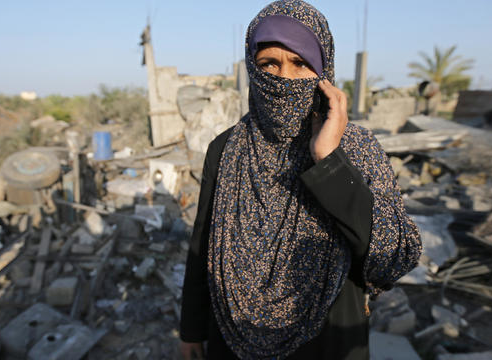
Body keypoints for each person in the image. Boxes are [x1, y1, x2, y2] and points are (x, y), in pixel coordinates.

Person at [179, 1, 422, 359]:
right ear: (252, 66)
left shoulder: (356, 148)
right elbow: (203, 245)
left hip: (329, 341)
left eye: (300, 63)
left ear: (324, 69)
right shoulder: (227, 149)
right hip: (233, 339)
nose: (283, 78)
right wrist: (191, 330)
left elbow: (394, 256)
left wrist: (330, 160)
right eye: (269, 64)